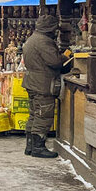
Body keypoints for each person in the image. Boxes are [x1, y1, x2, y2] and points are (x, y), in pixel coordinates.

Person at [21, 12, 73, 159]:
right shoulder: (44, 41)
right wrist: (66, 55)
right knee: (43, 115)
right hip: (42, 84)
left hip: (32, 82)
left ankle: (30, 146)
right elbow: (55, 61)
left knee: (34, 114)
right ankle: (38, 147)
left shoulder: (32, 39)